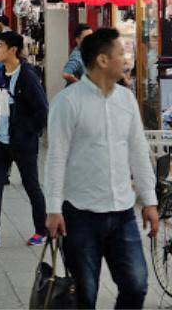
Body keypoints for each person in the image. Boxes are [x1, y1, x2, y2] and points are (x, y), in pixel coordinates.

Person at [45, 27, 158, 309]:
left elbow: (138, 151)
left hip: (122, 212)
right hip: (79, 215)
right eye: (121, 53)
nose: (127, 58)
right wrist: (53, 208)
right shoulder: (67, 102)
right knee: (85, 294)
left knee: (136, 284)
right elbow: (56, 157)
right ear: (102, 60)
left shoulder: (126, 100)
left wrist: (150, 201)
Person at [0, 30, 48, 248]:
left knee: (31, 185)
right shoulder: (0, 74)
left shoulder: (27, 76)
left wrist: (27, 132)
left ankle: (41, 230)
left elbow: (42, 109)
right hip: (0, 140)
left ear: (13, 50)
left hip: (22, 142)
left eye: (0, 46)